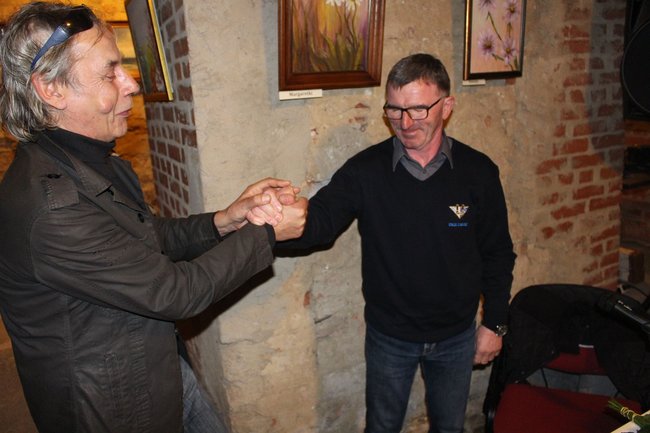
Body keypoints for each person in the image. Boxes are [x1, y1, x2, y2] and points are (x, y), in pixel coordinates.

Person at [0, 3, 307, 433]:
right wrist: (267, 232)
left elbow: (146, 239)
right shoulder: (53, 208)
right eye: (110, 73)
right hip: (115, 408)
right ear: (51, 90)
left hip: (157, 371)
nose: (131, 84)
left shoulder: (88, 162)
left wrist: (226, 220)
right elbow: (175, 291)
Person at [277, 53, 516, 433]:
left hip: (456, 335)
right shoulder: (365, 171)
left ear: (447, 106)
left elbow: (497, 252)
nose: (404, 123)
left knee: (449, 428)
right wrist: (275, 224)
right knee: (382, 427)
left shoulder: (478, 172)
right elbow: (319, 223)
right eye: (394, 110)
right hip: (390, 336)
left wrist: (495, 323)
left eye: (418, 109)